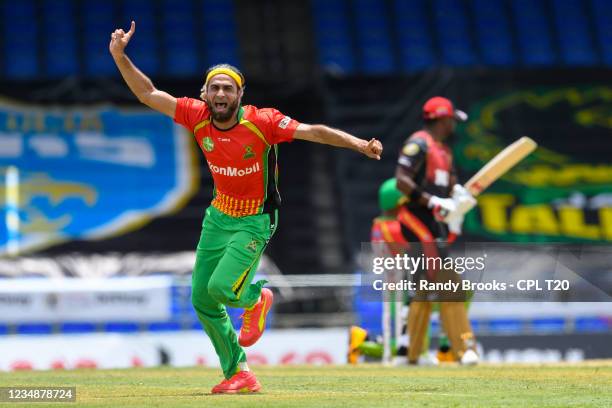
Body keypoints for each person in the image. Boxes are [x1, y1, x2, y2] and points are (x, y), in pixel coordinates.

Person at [109, 21, 383, 393]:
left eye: (228, 88)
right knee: (202, 299)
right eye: (215, 87)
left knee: (223, 288)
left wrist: (359, 144)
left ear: (240, 94)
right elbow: (148, 93)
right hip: (218, 215)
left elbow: (314, 131)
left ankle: (257, 297)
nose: (221, 93)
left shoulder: (262, 121)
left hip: (255, 219)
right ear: (204, 93)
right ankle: (239, 373)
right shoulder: (196, 115)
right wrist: (120, 57)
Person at [395, 96, 479, 365]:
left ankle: (410, 355)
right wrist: (432, 201)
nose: (454, 124)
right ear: (442, 119)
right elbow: (401, 181)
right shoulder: (418, 144)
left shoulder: (443, 150)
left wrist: (457, 198)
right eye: (452, 119)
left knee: (423, 288)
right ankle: (465, 349)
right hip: (417, 224)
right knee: (451, 285)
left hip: (434, 225)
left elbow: (451, 183)